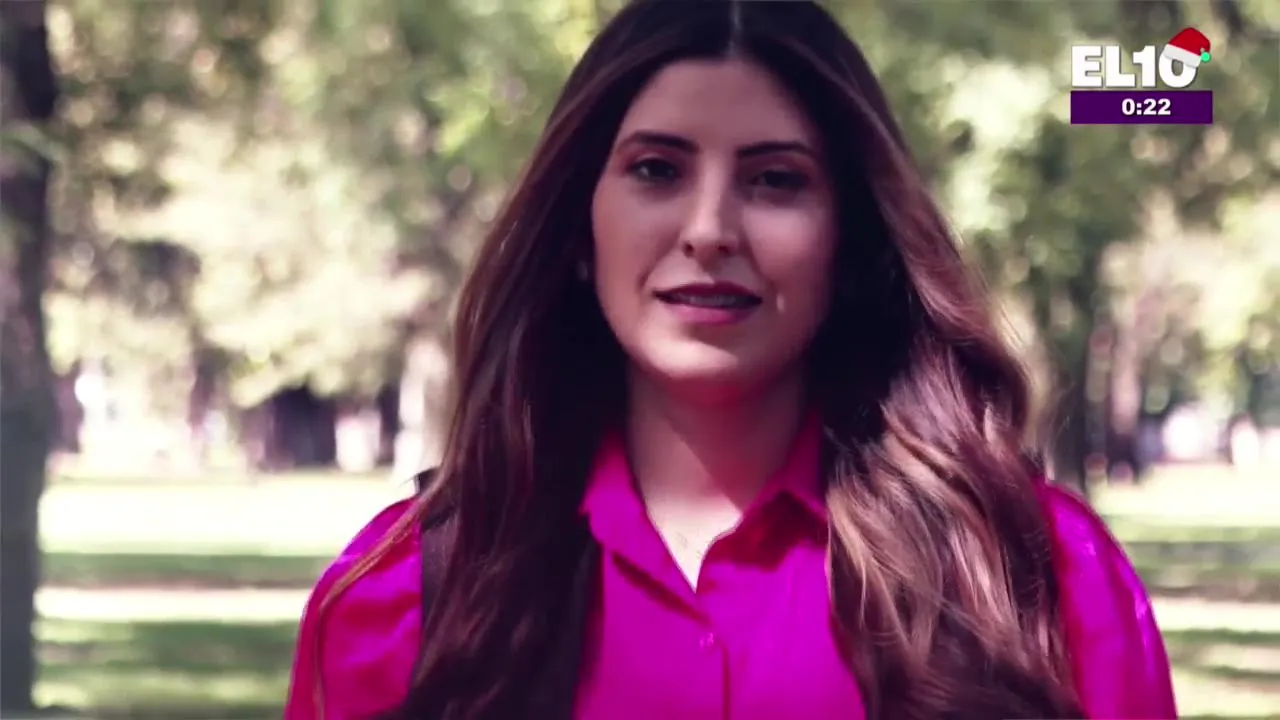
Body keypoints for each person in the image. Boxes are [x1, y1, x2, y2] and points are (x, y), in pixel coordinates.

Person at [286, 1, 1178, 718]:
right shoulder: (403, 597)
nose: (710, 230)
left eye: (775, 180)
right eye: (656, 169)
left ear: (850, 241)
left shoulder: (1038, 577)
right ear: (579, 230)